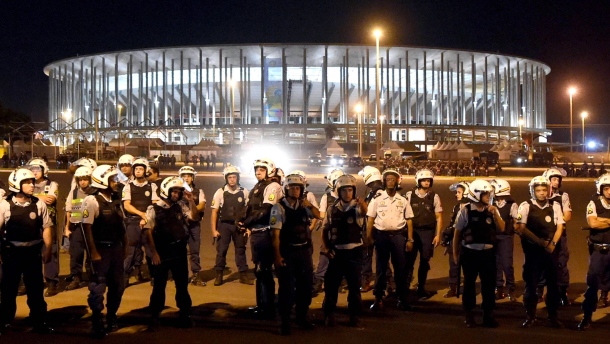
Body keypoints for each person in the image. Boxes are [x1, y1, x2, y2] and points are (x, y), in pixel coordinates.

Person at [0, 168, 54, 334]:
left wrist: (48, 250)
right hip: (12, 254)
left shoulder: (39, 204)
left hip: (32, 254)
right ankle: (4, 321)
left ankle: (39, 321)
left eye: (32, 182)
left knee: (36, 290)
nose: (32, 185)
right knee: (8, 290)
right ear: (17, 184)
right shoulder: (4, 205)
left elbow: (46, 228)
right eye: (28, 183)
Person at [145, 176, 199, 331]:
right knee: (159, 285)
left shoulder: (181, 206)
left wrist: (191, 201)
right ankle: (154, 315)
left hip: (179, 251)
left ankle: (184, 314)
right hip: (162, 252)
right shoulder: (154, 209)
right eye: (173, 192)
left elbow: (194, 217)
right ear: (165, 191)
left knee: (182, 284)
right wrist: (154, 253)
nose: (176, 195)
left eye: (178, 192)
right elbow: (148, 232)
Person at [271, 173, 320, 335]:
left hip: (304, 251)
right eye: (292, 187)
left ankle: (301, 316)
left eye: (298, 188)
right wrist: (277, 256)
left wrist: (309, 205)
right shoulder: (279, 207)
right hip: (288, 252)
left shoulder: (304, 206)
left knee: (305, 287)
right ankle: (285, 321)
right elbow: (275, 235)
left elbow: (319, 215)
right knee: (286, 289)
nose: (296, 190)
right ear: (286, 189)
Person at [453, 179, 505, 328]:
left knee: (488, 286)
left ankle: (488, 315)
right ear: (476, 195)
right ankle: (469, 315)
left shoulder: (492, 210)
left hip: (488, 254)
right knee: (469, 285)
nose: (488, 196)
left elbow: (502, 228)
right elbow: (457, 232)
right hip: (470, 254)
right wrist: (456, 254)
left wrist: (495, 213)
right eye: (485, 194)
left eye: (489, 193)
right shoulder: (465, 210)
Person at [81, 165, 125, 338]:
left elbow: (121, 226)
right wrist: (93, 252)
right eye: (112, 179)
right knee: (98, 286)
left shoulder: (115, 200)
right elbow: (87, 228)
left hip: (116, 249)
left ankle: (112, 315)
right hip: (100, 249)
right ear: (102, 181)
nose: (116, 182)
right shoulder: (91, 201)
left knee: (118, 286)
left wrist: (125, 245)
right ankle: (97, 319)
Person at [516, 176, 565, 328]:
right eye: (538, 190)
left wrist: (553, 244)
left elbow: (560, 227)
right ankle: (530, 315)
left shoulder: (555, 205)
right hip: (533, 253)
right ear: (533, 191)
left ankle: (553, 316)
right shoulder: (525, 206)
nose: (542, 193)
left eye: (544, 190)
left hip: (551, 252)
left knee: (553, 285)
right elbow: (521, 228)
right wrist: (539, 242)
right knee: (531, 285)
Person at [237, 158, 282, 319]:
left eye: (261, 169)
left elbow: (265, 210)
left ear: (269, 170)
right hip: (256, 233)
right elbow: (249, 208)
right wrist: (241, 222)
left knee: (264, 271)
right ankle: (261, 305)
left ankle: (268, 308)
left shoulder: (273, 187)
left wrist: (247, 222)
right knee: (260, 271)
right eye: (256, 169)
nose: (257, 172)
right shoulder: (257, 187)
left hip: (267, 233)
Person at [321, 175, 367, 327]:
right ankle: (329, 314)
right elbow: (325, 230)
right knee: (331, 286)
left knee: (354, 287)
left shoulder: (358, 207)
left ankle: (354, 315)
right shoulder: (332, 209)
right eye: (344, 190)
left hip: (354, 252)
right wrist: (326, 248)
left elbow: (365, 213)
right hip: (336, 253)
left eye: (350, 190)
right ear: (338, 192)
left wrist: (363, 204)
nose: (348, 193)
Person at [367, 167, 414, 311]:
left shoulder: (403, 200)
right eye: (388, 179)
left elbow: (409, 220)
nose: (390, 182)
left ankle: (402, 299)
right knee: (381, 269)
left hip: (399, 236)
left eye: (393, 179)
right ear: (384, 181)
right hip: (382, 237)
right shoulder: (377, 199)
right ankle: (378, 298)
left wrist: (410, 240)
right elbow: (370, 219)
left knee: (400, 269)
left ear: (397, 181)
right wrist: (369, 237)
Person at [210, 165, 252, 286]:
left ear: (238, 178)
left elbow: (249, 211)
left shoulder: (244, 191)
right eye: (230, 177)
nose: (232, 179)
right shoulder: (220, 192)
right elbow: (214, 212)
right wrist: (214, 230)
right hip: (224, 226)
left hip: (239, 226)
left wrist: (248, 228)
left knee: (240, 250)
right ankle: (219, 274)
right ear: (226, 178)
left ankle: (243, 274)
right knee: (221, 251)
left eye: (234, 177)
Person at [405, 168, 443, 299]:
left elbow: (438, 217)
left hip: (427, 232)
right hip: (412, 232)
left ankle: (421, 287)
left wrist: (438, 235)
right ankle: (405, 288)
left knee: (425, 261)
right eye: (424, 180)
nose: (426, 183)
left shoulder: (434, 196)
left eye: (428, 180)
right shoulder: (409, 195)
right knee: (409, 261)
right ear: (418, 181)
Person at [579, 173, 610, 331]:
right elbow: (593, 222)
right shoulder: (594, 203)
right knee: (592, 284)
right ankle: (587, 317)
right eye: (607, 188)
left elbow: (598, 221)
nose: (609, 191)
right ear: (601, 189)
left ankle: (605, 295)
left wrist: (602, 220)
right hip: (599, 249)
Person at [122, 158, 158, 286]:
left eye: (141, 169)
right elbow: (127, 205)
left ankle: (154, 276)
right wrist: (140, 214)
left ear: (145, 171)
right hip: (133, 222)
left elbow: (154, 204)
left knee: (150, 250)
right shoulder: (128, 186)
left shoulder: (152, 186)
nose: (138, 171)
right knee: (131, 250)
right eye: (136, 169)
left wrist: (146, 218)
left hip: (148, 222)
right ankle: (125, 277)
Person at [27, 158, 60, 297]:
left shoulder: (53, 184)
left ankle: (52, 281)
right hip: (31, 223)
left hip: (48, 222)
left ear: (44, 170)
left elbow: (50, 199)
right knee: (29, 251)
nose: (35, 172)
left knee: (50, 251)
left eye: (38, 169)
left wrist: (33, 196)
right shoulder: (27, 184)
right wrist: (40, 196)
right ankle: (27, 282)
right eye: (32, 169)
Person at [542, 167, 572, 305]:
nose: (556, 182)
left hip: (560, 234)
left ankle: (562, 292)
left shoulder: (563, 196)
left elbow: (568, 215)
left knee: (561, 263)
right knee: (540, 263)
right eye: (553, 179)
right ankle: (539, 291)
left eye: (558, 180)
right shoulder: (540, 193)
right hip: (543, 235)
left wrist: (557, 223)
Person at [312, 168, 344, 294]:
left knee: (340, 257)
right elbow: (321, 214)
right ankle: (319, 279)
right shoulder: (327, 197)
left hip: (343, 231)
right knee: (324, 254)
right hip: (329, 230)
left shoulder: (347, 195)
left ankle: (338, 281)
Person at [358, 166, 387, 293]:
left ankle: (387, 283)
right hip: (373, 228)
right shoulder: (374, 191)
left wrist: (361, 203)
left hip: (376, 229)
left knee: (376, 257)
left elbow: (370, 211)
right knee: (369, 256)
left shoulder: (378, 192)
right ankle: (369, 281)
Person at [64, 166, 94, 291]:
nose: (83, 182)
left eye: (85, 179)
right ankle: (76, 277)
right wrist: (67, 228)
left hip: (91, 227)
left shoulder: (94, 192)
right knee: (76, 254)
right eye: (80, 179)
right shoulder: (74, 192)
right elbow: (69, 210)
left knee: (92, 253)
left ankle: (91, 276)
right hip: (76, 227)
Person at [490, 179, 518, 301]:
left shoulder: (512, 205)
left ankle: (511, 288)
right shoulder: (491, 203)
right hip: (493, 236)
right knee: (496, 264)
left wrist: (511, 229)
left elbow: (516, 222)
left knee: (507, 264)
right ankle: (499, 288)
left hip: (506, 237)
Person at [178, 166, 207, 286]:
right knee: (179, 251)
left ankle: (196, 274)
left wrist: (192, 212)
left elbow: (202, 205)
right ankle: (180, 275)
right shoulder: (176, 191)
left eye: (189, 176)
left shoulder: (198, 191)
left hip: (194, 224)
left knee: (195, 251)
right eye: (184, 176)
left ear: (193, 177)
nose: (186, 178)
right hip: (180, 225)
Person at [441, 181, 469, 298]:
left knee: (468, 267)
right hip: (455, 240)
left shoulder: (470, 208)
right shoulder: (457, 206)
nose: (456, 194)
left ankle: (468, 289)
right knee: (453, 265)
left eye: (459, 192)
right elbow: (453, 224)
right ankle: (453, 288)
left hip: (466, 241)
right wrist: (447, 239)